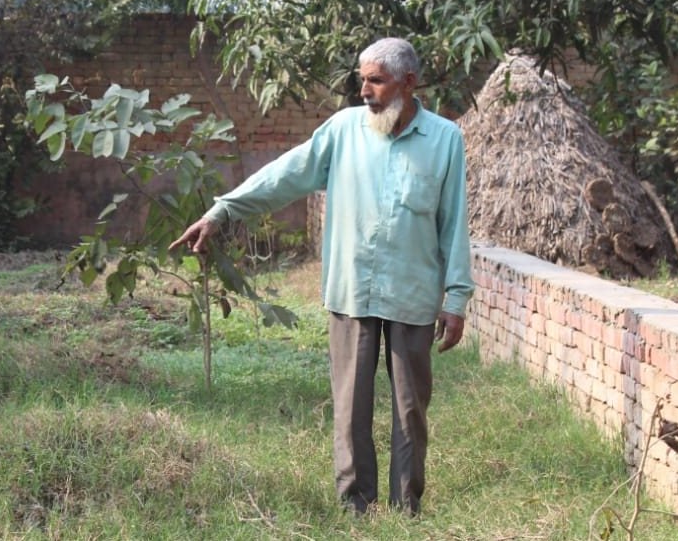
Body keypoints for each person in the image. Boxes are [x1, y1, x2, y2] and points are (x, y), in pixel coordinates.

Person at [169, 37, 474, 516]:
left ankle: (405, 507)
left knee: (410, 410)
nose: (365, 90)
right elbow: (283, 176)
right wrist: (222, 211)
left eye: (376, 80)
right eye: (362, 79)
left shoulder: (445, 140)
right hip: (352, 290)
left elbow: (454, 223)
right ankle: (356, 505)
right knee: (351, 408)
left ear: (409, 82)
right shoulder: (343, 131)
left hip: (413, 293)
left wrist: (456, 299)